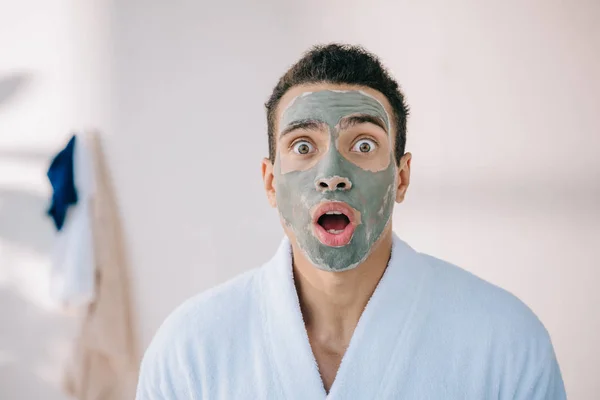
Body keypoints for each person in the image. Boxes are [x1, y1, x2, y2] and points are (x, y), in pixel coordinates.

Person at [136, 44, 566, 399]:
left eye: (363, 144)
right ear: (270, 182)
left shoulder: (507, 342)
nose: (332, 173)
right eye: (303, 146)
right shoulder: (189, 350)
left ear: (401, 177)